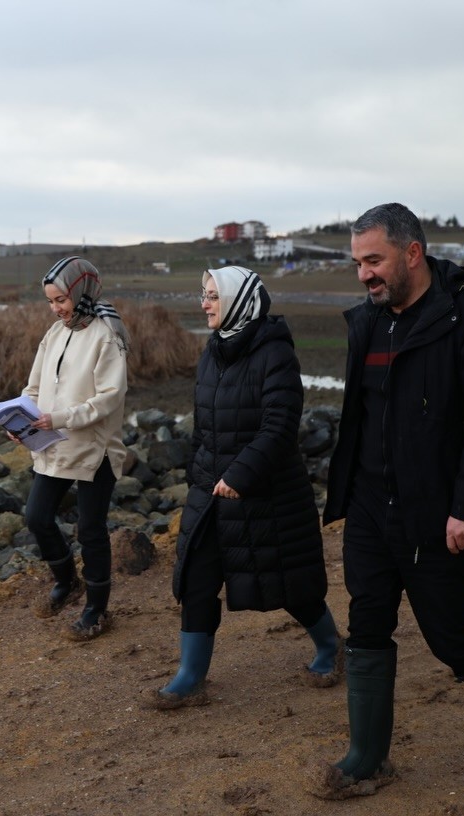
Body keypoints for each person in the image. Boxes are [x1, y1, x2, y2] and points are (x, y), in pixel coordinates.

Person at [310, 203, 464, 799]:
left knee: (451, 640)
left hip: (440, 511)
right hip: (371, 506)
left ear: (412, 253)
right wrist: (347, 495)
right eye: (357, 263)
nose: (363, 275)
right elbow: (363, 416)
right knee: (366, 624)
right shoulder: (370, 321)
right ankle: (367, 758)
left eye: (374, 260)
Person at [146, 266, 341, 710]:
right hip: (210, 492)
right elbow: (203, 425)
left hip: (265, 493)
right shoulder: (212, 350)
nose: (204, 303)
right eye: (203, 294)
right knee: (196, 579)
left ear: (238, 300)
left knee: (288, 585)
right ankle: (190, 677)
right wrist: (197, 475)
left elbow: (280, 426)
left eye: (213, 295)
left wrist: (240, 474)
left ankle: (331, 647)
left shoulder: (275, 354)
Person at [17, 255, 129, 641]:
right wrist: (21, 421)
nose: (56, 308)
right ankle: (67, 582)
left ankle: (96, 609)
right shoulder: (55, 333)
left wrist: (60, 418)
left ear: (82, 292)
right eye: (50, 301)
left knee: (91, 530)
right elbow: (34, 388)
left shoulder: (107, 335)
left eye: (61, 300)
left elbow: (109, 399)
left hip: (96, 449)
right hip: (54, 444)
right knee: (37, 517)